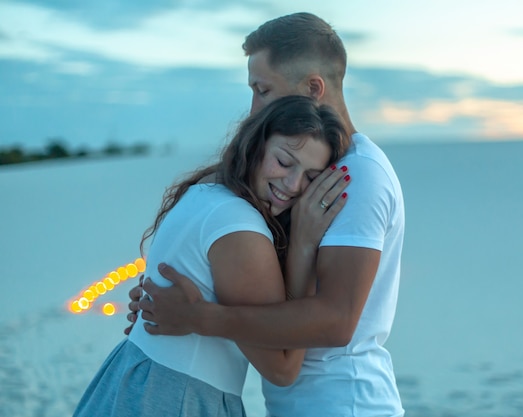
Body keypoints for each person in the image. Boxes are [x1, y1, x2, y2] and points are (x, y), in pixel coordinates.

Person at [131, 12, 406, 417]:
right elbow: (262, 278)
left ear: (313, 89)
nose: (253, 107)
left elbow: (336, 321)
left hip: (345, 401)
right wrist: (163, 296)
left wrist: (195, 315)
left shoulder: (356, 175)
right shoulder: (312, 170)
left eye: (262, 90)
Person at [74, 95, 352, 417]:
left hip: (133, 377)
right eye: (284, 162)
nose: (292, 184)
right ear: (256, 144)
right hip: (178, 398)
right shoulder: (240, 227)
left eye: (311, 178)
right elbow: (283, 368)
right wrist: (304, 247)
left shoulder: (208, 189)